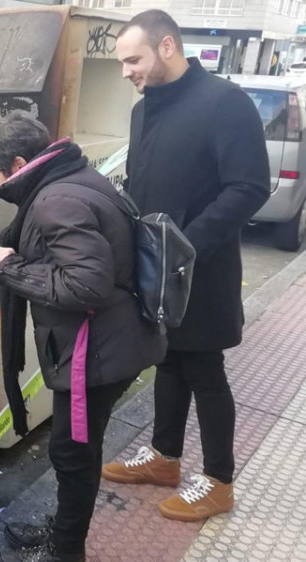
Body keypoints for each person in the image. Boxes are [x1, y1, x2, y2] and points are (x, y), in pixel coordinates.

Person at [102, 10, 270, 522]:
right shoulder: (144, 109)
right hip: (155, 268)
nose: (126, 71)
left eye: (133, 59)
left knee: (204, 369)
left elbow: (249, 187)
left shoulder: (224, 103)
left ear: (167, 46)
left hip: (202, 268)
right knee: (168, 361)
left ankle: (219, 481)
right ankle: (164, 458)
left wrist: (184, 245)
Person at [0, 111, 165, 562]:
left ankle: (67, 550)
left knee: (73, 453)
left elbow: (85, 285)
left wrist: (10, 266)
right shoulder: (76, 175)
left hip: (94, 351)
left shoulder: (54, 201)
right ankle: (65, 531)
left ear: (19, 163)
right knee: (76, 448)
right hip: (114, 339)